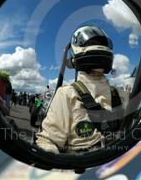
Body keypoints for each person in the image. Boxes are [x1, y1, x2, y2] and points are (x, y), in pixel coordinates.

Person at [36, 25, 129, 154]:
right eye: (92, 43)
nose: (98, 47)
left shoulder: (121, 94)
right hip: (83, 166)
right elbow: (48, 141)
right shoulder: (66, 94)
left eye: (101, 44)